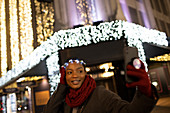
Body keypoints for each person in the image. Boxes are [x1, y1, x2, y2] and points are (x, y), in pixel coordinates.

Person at [43, 58, 158, 113]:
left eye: (79, 71)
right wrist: (62, 87)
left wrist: (145, 92)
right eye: (69, 72)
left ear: (86, 74)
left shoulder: (100, 94)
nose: (75, 76)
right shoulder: (65, 101)